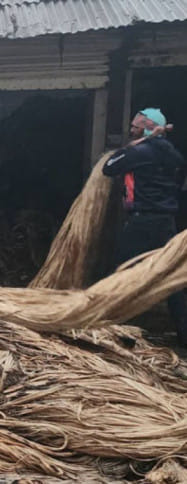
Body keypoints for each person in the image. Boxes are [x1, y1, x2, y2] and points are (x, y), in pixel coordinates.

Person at [102, 107, 187, 344]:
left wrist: (129, 147)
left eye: (135, 127)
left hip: (142, 222)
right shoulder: (174, 154)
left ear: (148, 129)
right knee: (171, 276)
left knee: (122, 272)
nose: (130, 131)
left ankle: (118, 331)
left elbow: (108, 168)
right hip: (166, 222)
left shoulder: (139, 152)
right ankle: (184, 332)